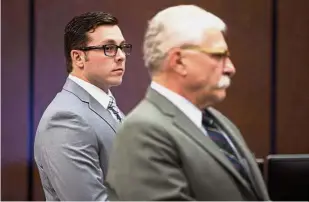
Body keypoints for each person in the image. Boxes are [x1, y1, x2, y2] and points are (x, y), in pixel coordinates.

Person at [106, 5, 269, 201]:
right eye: (218, 55)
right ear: (178, 61)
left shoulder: (217, 122)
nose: (230, 68)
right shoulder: (142, 131)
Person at [34, 11, 132, 201]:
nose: (121, 56)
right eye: (109, 48)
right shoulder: (65, 119)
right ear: (78, 58)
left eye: (122, 47)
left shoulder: (107, 105)